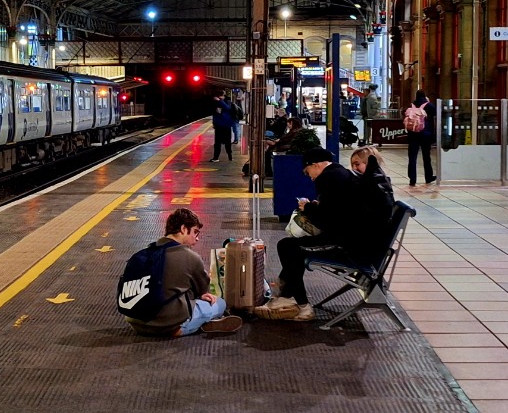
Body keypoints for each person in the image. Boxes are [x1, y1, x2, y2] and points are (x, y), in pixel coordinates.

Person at [253, 148, 372, 321]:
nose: (310, 177)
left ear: (315, 165)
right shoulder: (341, 173)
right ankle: (286, 293)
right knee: (292, 246)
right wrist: (317, 207)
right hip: (355, 239)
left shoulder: (326, 178)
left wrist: (307, 209)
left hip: (344, 244)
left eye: (308, 172)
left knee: (289, 247)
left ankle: (301, 304)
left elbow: (325, 220)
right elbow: (336, 210)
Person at [124, 208, 242, 336]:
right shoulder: (189, 256)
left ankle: (200, 323)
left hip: (136, 323)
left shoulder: (143, 254)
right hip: (168, 327)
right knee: (219, 303)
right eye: (195, 232)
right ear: (184, 229)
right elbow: (203, 291)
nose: (196, 239)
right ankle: (198, 324)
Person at [407, 90, 436, 186]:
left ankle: (412, 178)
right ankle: (428, 177)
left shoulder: (412, 105)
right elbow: (437, 113)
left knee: (412, 156)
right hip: (425, 134)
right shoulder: (429, 105)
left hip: (413, 134)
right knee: (426, 156)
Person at [210, 94, 235, 162]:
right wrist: (214, 123)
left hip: (226, 125)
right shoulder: (216, 103)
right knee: (217, 142)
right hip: (219, 126)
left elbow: (228, 108)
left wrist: (220, 101)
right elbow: (215, 114)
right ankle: (215, 158)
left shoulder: (227, 102)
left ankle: (230, 157)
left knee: (227, 142)